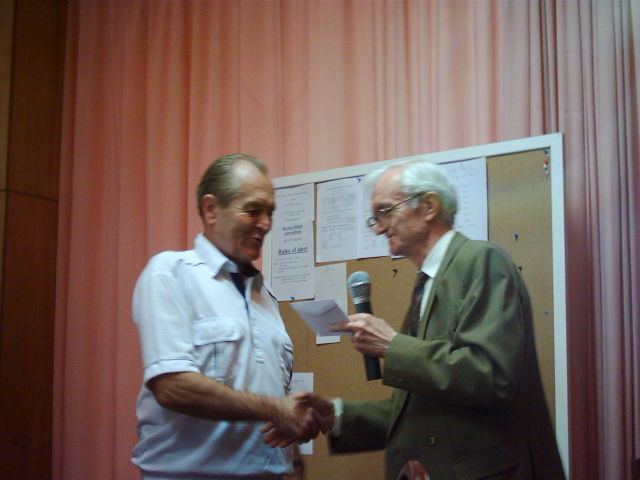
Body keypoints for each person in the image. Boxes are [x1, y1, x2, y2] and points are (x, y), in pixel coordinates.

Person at [325, 159, 566, 479]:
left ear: (428, 206)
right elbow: (415, 409)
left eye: (386, 211)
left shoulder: (481, 260)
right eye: (376, 218)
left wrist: (393, 346)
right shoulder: (428, 283)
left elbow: (491, 375)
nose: (380, 228)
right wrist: (334, 415)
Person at [131, 153, 329, 480]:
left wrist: (293, 458)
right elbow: (172, 387)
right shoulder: (169, 273)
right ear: (211, 209)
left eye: (270, 212)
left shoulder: (265, 296)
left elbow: (274, 402)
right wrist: (275, 409)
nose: (265, 224)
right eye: (253, 210)